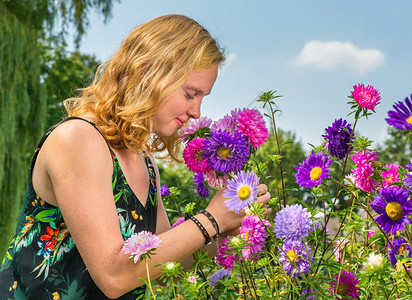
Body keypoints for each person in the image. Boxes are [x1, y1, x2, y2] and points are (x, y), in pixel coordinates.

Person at [0, 14, 270, 299]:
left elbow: (164, 268)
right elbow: (114, 276)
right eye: (191, 94)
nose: (197, 112)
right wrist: (212, 219)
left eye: (203, 98)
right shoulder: (79, 139)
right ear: (147, 72)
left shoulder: (145, 161)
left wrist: (228, 230)